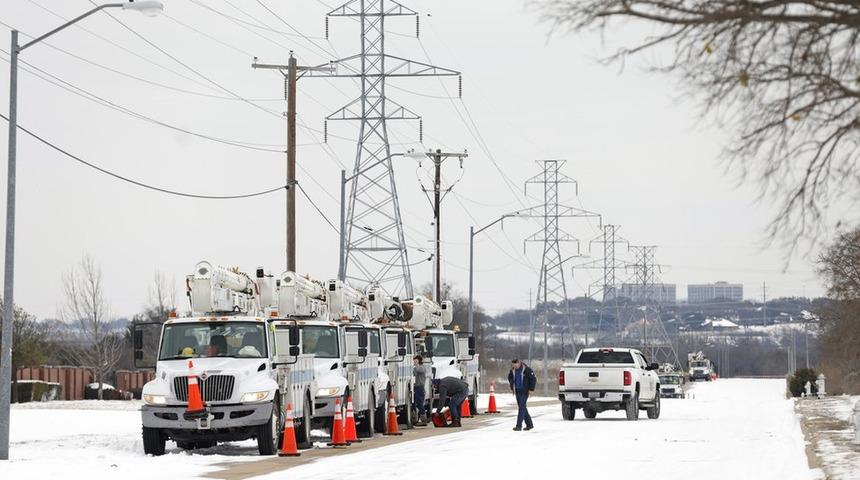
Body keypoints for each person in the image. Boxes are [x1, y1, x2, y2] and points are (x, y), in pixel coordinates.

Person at [508, 358, 536, 431]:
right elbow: (510, 378)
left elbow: (533, 379)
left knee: (521, 407)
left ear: (519, 363)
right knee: (523, 407)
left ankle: (518, 426)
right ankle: (529, 424)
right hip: (517, 391)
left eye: (516, 364)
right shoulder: (512, 371)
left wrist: (531, 389)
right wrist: (512, 385)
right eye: (513, 365)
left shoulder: (526, 369)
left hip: (525, 391)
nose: (515, 366)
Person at [413, 355, 428, 426]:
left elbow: (419, 370)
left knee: (419, 404)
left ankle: (424, 420)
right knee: (415, 404)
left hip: (420, 387)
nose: (414, 361)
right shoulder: (417, 367)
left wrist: (416, 364)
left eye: (415, 360)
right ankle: (416, 419)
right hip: (416, 387)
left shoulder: (422, 367)